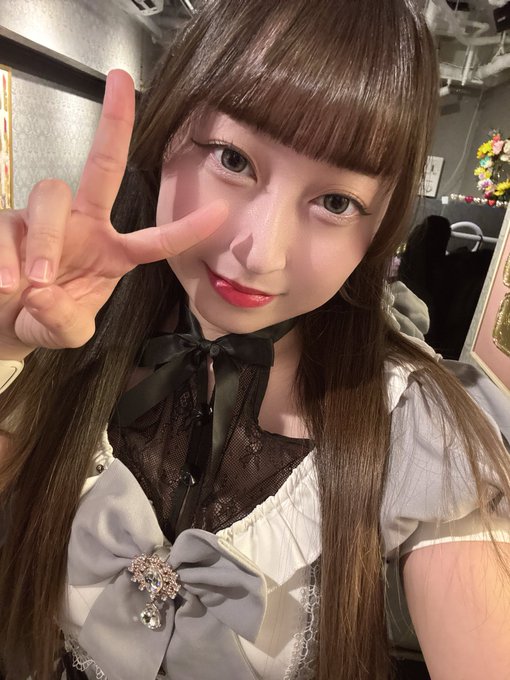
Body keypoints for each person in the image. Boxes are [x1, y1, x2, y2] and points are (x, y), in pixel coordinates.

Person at [0, 1, 509, 679]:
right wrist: (5, 347)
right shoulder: (78, 336)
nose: (260, 254)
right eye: (234, 159)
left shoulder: (411, 425)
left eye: (336, 203)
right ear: (166, 133)